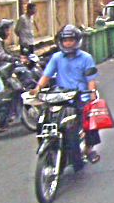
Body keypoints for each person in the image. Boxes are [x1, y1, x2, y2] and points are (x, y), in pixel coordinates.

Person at [32, 24, 100, 168]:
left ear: (77, 41)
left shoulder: (86, 58)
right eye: (65, 40)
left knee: (88, 120)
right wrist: (37, 89)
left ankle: (89, 149)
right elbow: (46, 76)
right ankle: (50, 145)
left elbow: (91, 80)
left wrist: (91, 96)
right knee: (43, 120)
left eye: (71, 40)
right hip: (60, 96)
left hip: (80, 96)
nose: (68, 43)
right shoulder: (56, 57)